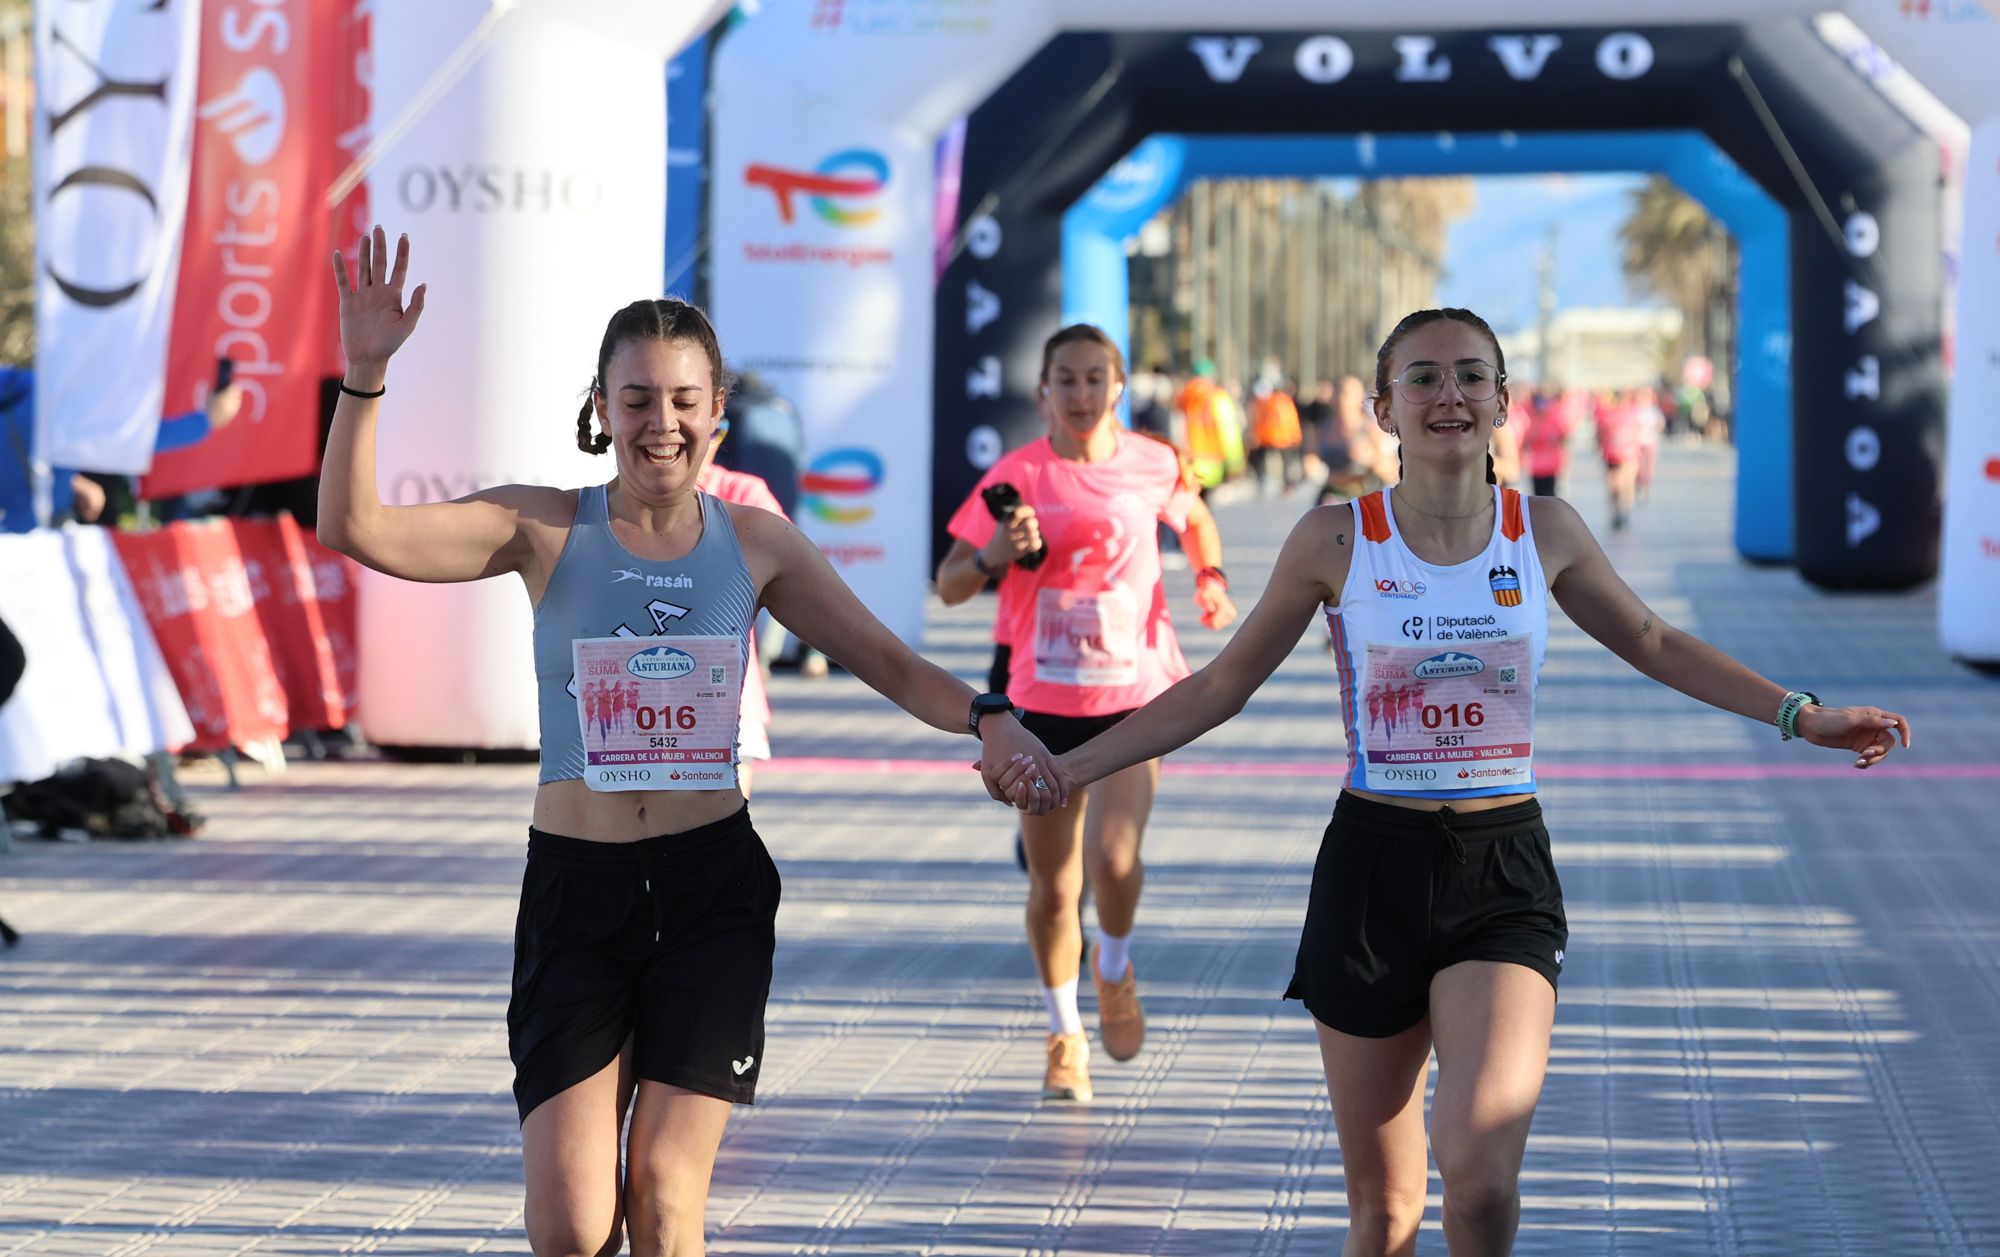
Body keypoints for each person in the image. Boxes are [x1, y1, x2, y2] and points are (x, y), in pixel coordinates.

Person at [995, 307, 1912, 1256]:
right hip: (1367, 874)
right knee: (1385, 1215)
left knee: (1476, 1175)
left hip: (1501, 874)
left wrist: (1800, 715)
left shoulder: (1543, 529)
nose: (1449, 396)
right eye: (1423, 379)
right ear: (1385, 408)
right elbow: (1223, 685)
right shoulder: (1334, 539)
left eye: (1471, 376)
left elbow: (1655, 639)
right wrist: (1067, 768)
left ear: (1505, 402)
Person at [320, 227, 1062, 1257]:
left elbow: (887, 663)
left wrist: (986, 718)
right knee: (573, 1230)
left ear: (718, 413)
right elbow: (354, 526)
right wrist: (365, 380)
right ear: (599, 410)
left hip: (709, 891)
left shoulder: (754, 543)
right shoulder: (540, 528)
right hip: (576, 895)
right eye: (636, 400)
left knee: (666, 1197)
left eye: (682, 401)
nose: (659, 424)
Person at [938, 323, 1238, 1103]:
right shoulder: (1017, 474)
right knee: (1053, 884)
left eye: (1094, 380)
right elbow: (949, 583)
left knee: (1114, 859)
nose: (1079, 395)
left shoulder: (1153, 461)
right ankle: (1063, 1030)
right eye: (1063, 380)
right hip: (1042, 700)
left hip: (1135, 693)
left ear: (1119, 387)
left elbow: (1195, 516)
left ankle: (1113, 965)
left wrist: (1208, 573)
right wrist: (995, 556)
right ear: (1043, 391)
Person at [694, 416, 788, 794]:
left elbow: (789, 577)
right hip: (637, 702)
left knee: (721, 839)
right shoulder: (611, 501)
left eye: (717, 428)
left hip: (728, 698)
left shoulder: (743, 491)